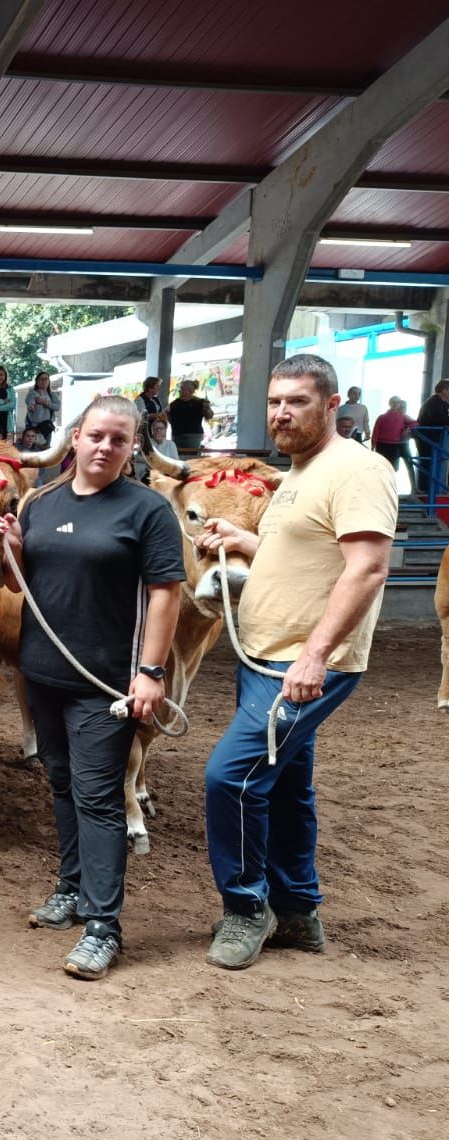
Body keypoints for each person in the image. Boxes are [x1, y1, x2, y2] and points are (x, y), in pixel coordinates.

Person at [193, 354, 396, 971]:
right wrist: (241, 539)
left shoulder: (357, 469)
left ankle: (246, 909)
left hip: (299, 668)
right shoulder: (299, 473)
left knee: (229, 777)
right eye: (275, 401)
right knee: (285, 790)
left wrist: (314, 657)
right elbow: (304, 555)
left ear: (332, 406)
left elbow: (366, 568)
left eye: (298, 401)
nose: (281, 412)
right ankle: (300, 912)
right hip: (263, 657)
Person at [0, 395, 184, 981]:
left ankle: (104, 926)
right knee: (61, 782)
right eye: (96, 435)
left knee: (99, 798)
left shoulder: (147, 511)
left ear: (132, 448)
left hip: (108, 684)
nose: (105, 447)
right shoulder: (39, 502)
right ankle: (71, 889)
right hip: (43, 673)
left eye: (119, 440)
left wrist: (151, 673)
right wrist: (12, 546)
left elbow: (166, 593)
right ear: (74, 437)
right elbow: (22, 585)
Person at [371, 395, 416, 493]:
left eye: (397, 402)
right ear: (389, 404)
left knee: (392, 468)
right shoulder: (382, 417)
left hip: (394, 445)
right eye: (393, 402)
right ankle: (380, 489)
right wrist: (373, 444)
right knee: (382, 468)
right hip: (382, 445)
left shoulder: (402, 416)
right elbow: (376, 431)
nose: (395, 404)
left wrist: (407, 429)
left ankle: (391, 489)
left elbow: (415, 423)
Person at [414, 379, 449, 494]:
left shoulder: (440, 402)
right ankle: (427, 491)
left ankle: (431, 490)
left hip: (432, 438)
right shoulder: (434, 402)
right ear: (444, 390)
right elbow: (439, 419)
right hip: (428, 439)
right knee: (428, 463)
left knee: (432, 464)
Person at [167, 380, 213, 451]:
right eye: (180, 388)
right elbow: (168, 417)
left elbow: (209, 416)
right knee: (177, 456)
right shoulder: (174, 403)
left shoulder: (200, 402)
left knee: (192, 457)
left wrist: (207, 408)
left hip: (193, 435)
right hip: (177, 434)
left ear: (190, 390)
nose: (180, 390)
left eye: (182, 388)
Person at [24, 372, 60, 441]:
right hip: (34, 427)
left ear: (48, 381)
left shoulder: (52, 395)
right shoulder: (32, 393)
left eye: (46, 379)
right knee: (33, 449)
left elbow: (57, 407)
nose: (43, 381)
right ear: (37, 381)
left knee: (46, 449)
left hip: (47, 427)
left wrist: (45, 403)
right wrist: (31, 406)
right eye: (41, 379)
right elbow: (30, 401)